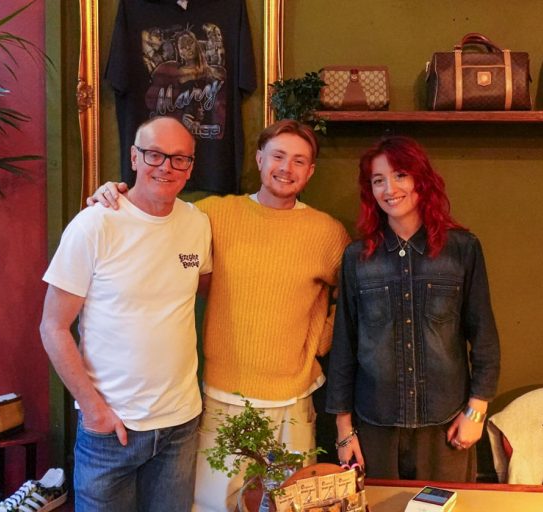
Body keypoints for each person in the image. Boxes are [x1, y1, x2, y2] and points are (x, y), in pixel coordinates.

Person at [87, 119, 350, 512]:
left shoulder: (327, 232)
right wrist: (114, 193)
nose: (286, 168)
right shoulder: (212, 215)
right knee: (212, 505)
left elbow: (352, 302)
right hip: (222, 395)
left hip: (292, 401)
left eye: (299, 161)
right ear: (260, 159)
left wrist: (320, 339)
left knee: (290, 505)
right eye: (278, 156)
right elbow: (156, 210)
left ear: (310, 171)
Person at [40, 116, 212, 511]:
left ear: (190, 167)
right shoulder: (95, 224)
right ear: (134, 158)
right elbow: (53, 327)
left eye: (179, 158)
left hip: (179, 426)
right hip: (111, 429)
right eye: (154, 154)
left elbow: (201, 289)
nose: (166, 166)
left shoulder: (197, 223)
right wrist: (95, 411)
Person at [326, 135, 500, 481]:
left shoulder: (461, 250)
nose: (390, 188)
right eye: (378, 180)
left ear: (421, 178)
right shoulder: (358, 259)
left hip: (446, 427)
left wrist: (476, 412)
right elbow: (344, 345)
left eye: (400, 174)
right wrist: (344, 430)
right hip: (375, 425)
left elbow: (484, 338)